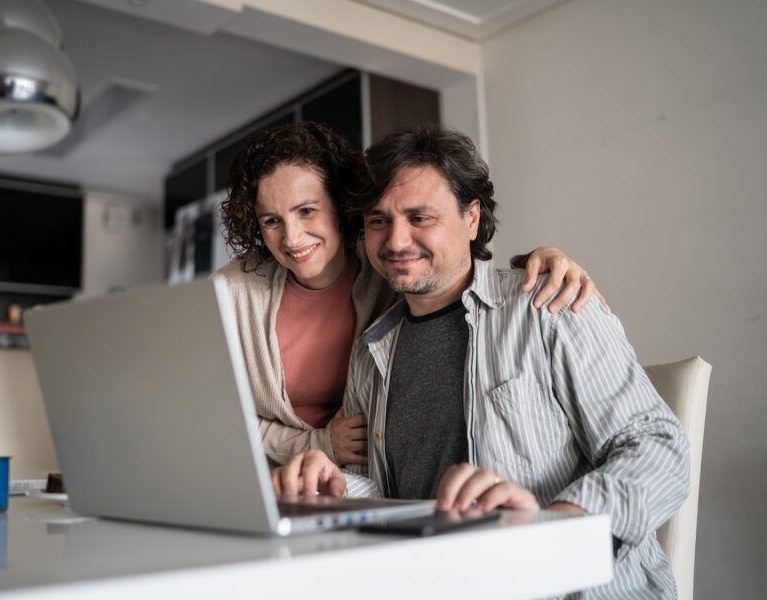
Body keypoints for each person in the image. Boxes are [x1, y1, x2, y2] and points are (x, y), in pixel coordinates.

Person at [271, 126, 690, 598]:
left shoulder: (550, 303)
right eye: (377, 221)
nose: (396, 240)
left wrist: (555, 529)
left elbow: (658, 449)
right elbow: (399, 493)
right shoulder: (371, 351)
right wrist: (338, 489)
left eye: (420, 217)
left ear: (471, 218)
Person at [218, 121, 602, 468]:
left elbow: (457, 272)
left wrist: (540, 259)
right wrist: (314, 446)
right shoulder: (234, 293)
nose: (291, 237)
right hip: (278, 474)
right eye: (271, 221)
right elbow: (205, 413)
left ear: (341, 206)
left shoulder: (392, 271)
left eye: (307, 211)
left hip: (362, 478)